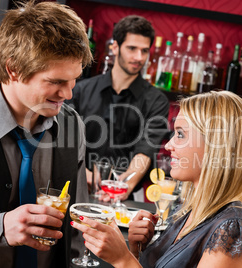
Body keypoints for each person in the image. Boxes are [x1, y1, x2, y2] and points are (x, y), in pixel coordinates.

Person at [0, 2, 91, 267]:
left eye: (74, 79)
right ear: (13, 69)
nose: (68, 94)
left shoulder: (72, 124)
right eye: (56, 82)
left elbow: (76, 225)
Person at [71, 91, 242, 267]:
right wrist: (136, 250)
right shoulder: (187, 212)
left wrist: (123, 259)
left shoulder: (233, 229)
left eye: (180, 134)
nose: (169, 145)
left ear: (215, 146)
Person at [67, 15, 169, 201]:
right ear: (115, 47)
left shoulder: (157, 101)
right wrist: (87, 176)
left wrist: (124, 185)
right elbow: (67, 141)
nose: (139, 57)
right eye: (132, 48)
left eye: (144, 51)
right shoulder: (80, 90)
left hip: (125, 194)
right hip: (77, 184)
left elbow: (146, 149)